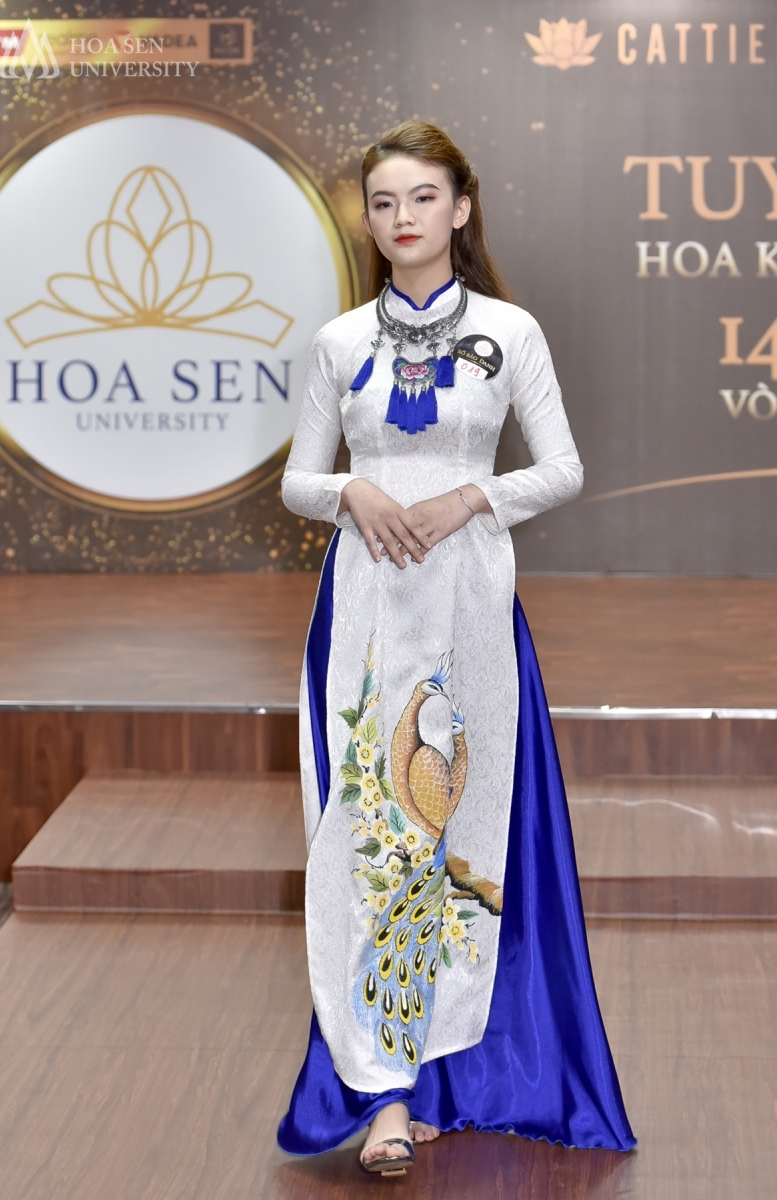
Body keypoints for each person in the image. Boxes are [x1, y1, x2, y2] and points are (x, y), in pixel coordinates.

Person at [277, 119, 635, 1176]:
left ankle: (453, 1079)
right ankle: (385, 1096)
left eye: (422, 198)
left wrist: (470, 497)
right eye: (383, 202)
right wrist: (352, 490)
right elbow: (297, 480)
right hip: (365, 611)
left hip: (472, 601)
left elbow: (562, 467)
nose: (402, 218)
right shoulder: (339, 341)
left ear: (461, 208)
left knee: (463, 835)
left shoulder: (509, 332)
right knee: (368, 837)